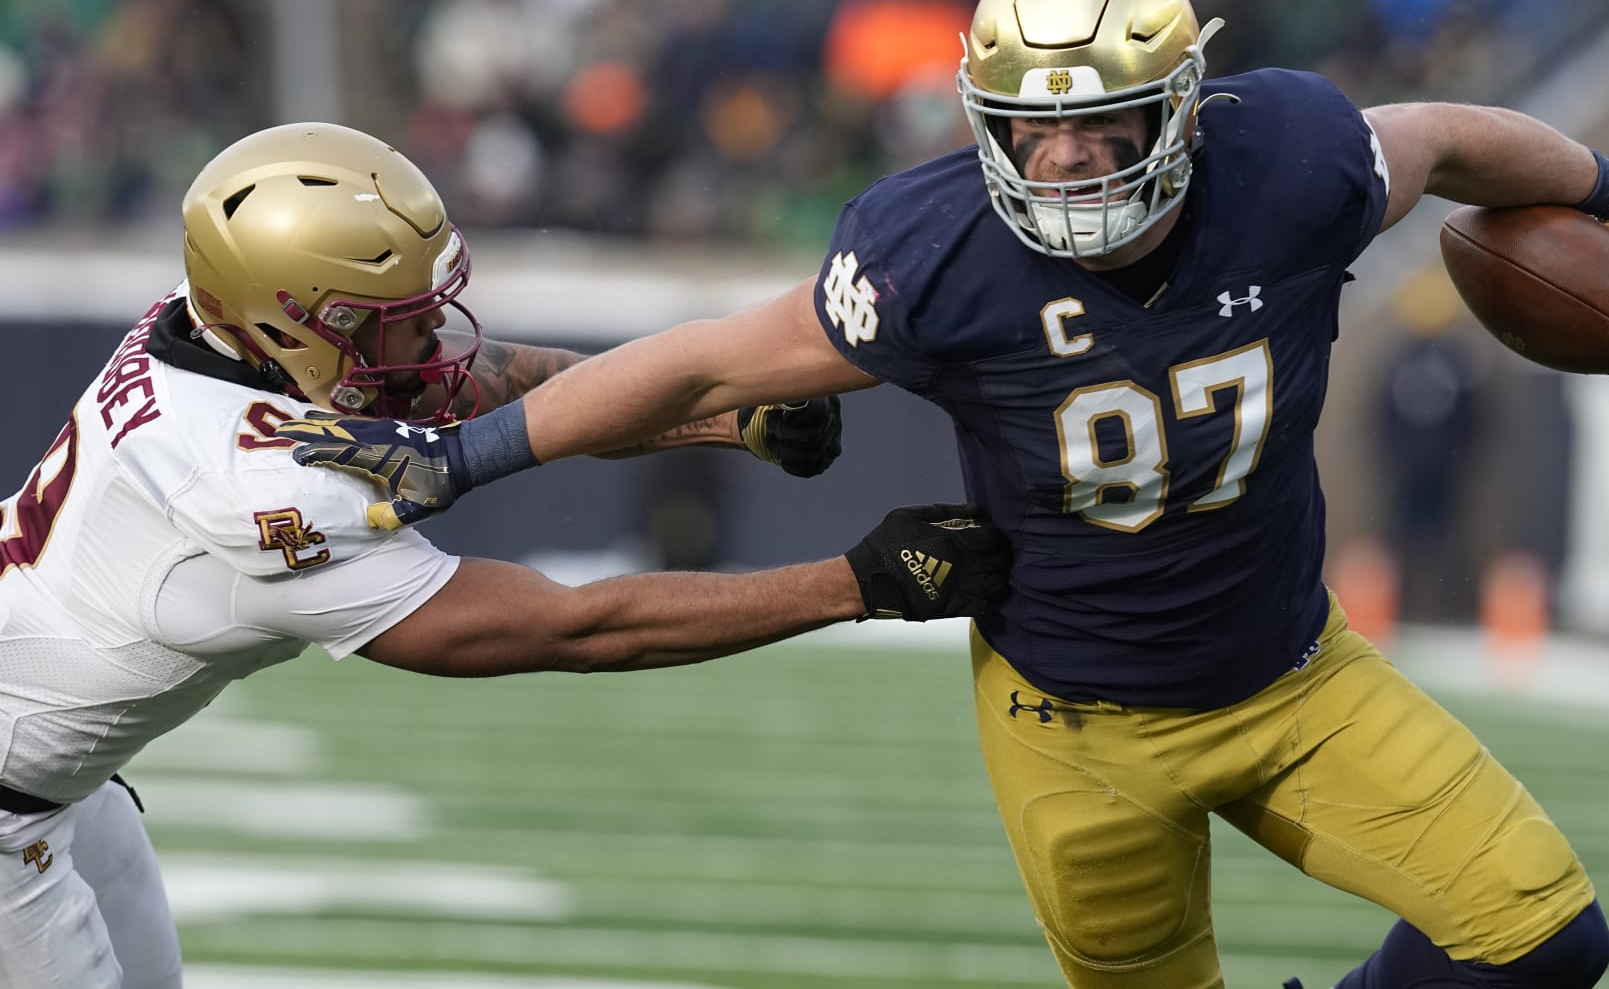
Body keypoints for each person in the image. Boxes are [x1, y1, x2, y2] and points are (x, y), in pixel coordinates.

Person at [287, 0, 1609, 989]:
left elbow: (1440, 136)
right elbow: (705, 361)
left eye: (1104, 126)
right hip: (1073, 729)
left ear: (1185, 108)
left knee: (1549, 942)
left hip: (1297, 679)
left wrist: (1605, 185)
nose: (1067, 162)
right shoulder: (932, 250)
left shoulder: (1293, 156)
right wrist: (462, 458)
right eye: (1035, 129)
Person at [0, 122, 1013, 989]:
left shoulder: (216, 330)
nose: (433, 338)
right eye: (390, 324)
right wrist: (856, 584)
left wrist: (722, 420)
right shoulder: (262, 490)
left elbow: (482, 387)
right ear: (293, 322)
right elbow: (575, 627)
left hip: (56, 773)